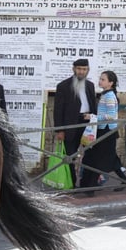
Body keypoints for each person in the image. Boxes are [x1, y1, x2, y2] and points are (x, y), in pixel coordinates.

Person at [78, 70, 126, 190]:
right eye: (100, 79)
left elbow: (111, 116)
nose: (100, 81)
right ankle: (124, 180)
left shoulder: (109, 96)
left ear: (111, 83)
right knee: (109, 157)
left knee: (99, 157)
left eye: (103, 80)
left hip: (107, 131)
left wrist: (92, 117)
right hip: (103, 129)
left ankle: (91, 186)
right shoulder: (105, 94)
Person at [52, 58, 98, 188]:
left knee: (90, 154)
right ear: (74, 69)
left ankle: (88, 184)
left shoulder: (90, 85)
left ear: (87, 70)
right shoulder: (63, 86)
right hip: (70, 125)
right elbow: (58, 110)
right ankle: (71, 183)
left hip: (87, 123)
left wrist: (95, 123)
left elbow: (93, 105)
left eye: (84, 69)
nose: (81, 72)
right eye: (79, 69)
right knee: (70, 155)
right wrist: (60, 130)